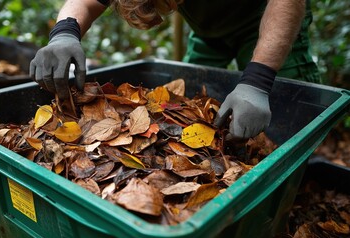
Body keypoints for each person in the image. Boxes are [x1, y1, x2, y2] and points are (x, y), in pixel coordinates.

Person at [30, 0, 321, 140]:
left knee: (285, 111)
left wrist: (258, 80)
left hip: (268, 16)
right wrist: (65, 32)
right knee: (192, 102)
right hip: (209, 30)